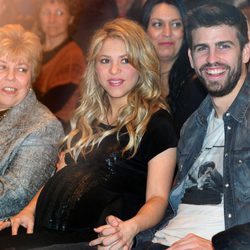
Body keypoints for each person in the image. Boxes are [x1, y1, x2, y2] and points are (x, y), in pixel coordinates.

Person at [0, 18, 177, 249]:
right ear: (95, 67)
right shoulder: (90, 116)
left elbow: (158, 199)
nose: (114, 70)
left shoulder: (157, 122)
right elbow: (60, 174)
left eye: (125, 60)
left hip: (95, 236)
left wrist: (132, 226)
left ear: (141, 64)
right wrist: (28, 210)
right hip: (48, 226)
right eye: (105, 61)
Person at [91, 2, 250, 249]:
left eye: (223, 46)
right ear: (191, 58)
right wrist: (129, 230)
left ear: (246, 52)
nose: (212, 59)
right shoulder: (192, 127)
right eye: (201, 49)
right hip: (155, 241)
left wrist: (218, 246)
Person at [0, 24, 64, 221]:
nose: (10, 77)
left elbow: (13, 196)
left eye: (21, 69)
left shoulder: (44, 127)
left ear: (32, 76)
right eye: (2, 66)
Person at [141, 0, 207, 135]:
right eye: (158, 24)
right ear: (144, 31)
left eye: (176, 24)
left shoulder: (196, 86)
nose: (167, 32)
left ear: (185, 32)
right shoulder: (134, 78)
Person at [33, 0, 85, 130]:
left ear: (71, 18)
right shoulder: (32, 49)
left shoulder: (73, 57)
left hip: (53, 131)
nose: (52, 19)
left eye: (59, 13)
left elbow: (50, 106)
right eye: (46, 13)